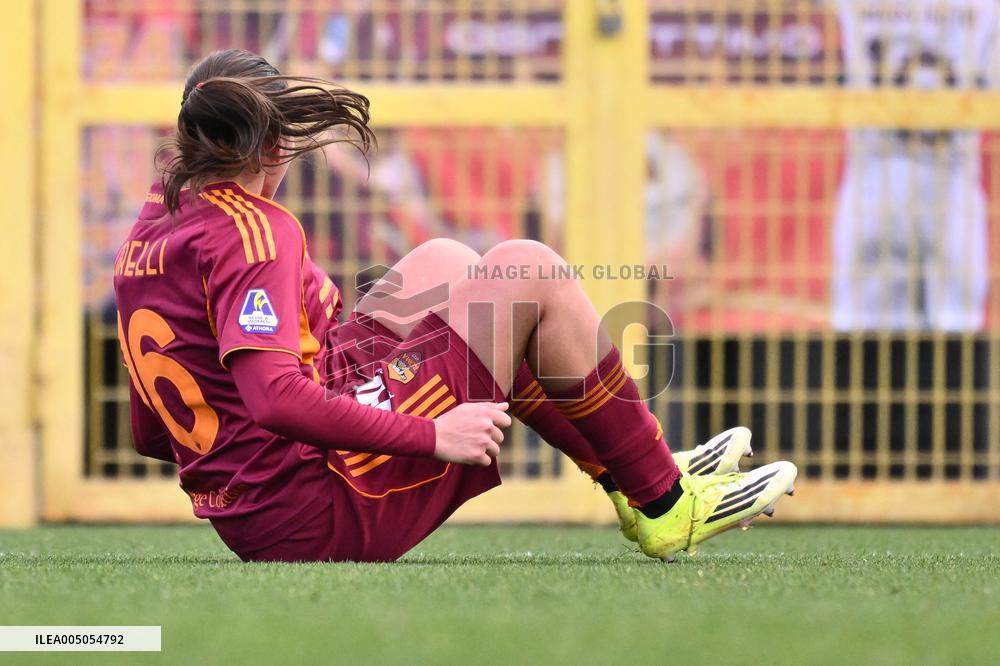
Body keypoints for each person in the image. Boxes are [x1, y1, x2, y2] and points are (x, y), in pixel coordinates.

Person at [114, 49, 796, 563]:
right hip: (318, 510)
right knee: (529, 269)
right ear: (275, 142)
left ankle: (630, 475)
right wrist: (433, 435)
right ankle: (667, 503)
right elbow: (275, 401)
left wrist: (236, 476)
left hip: (265, 504)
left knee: (444, 261)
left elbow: (151, 432)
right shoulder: (255, 230)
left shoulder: (153, 228)